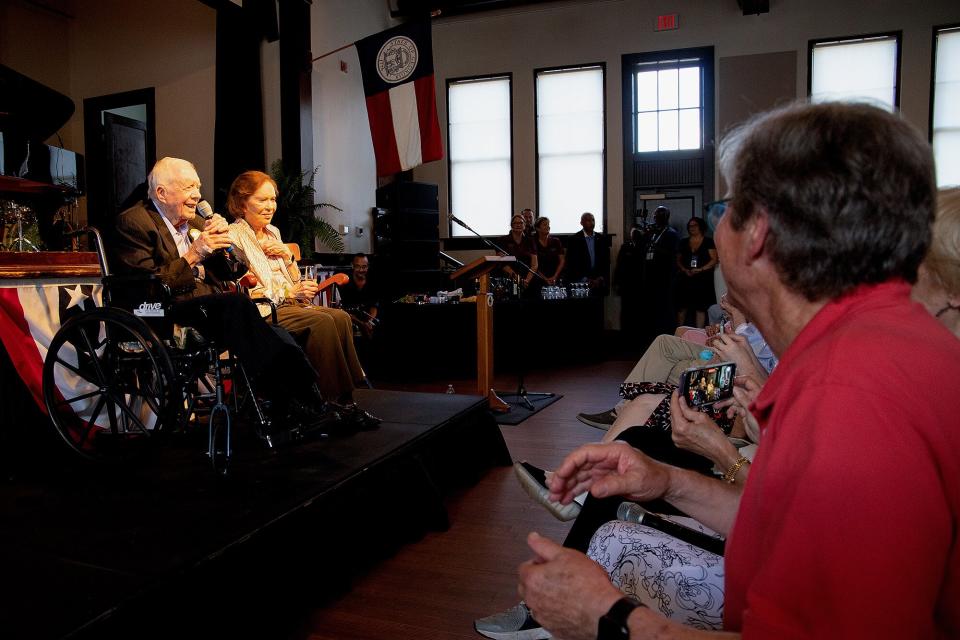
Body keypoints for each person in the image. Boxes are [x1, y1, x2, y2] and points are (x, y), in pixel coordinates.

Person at [516, 102, 960, 639]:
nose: (719, 221)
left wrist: (606, 618)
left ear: (758, 233)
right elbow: (783, 529)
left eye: (726, 206)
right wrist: (669, 481)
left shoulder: (848, 398)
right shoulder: (886, 343)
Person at [110, 157, 334, 426]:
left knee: (277, 333)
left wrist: (226, 245)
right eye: (188, 187)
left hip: (203, 306)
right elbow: (147, 288)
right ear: (161, 192)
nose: (197, 195)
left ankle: (308, 401)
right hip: (160, 310)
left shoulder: (194, 223)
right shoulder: (134, 222)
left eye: (198, 187)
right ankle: (292, 402)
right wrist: (194, 255)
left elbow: (234, 271)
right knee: (237, 304)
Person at [224, 170, 379, 428]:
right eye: (262, 200)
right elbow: (244, 288)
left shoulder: (273, 232)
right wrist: (289, 293)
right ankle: (326, 401)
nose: (270, 206)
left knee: (339, 317)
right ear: (242, 203)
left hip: (291, 303)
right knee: (323, 323)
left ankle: (346, 398)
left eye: (272, 200)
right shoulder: (234, 236)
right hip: (264, 310)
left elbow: (294, 277)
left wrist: (288, 257)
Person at [638, 206, 680, 342]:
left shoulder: (671, 234)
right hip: (650, 278)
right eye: (654, 215)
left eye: (657, 215)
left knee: (665, 309)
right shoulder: (654, 233)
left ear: (665, 217)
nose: (655, 218)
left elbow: (672, 255)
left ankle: (666, 336)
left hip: (665, 279)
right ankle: (651, 336)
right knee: (651, 310)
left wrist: (655, 246)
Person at [675, 216, 718, 327]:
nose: (692, 228)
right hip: (685, 279)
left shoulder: (708, 241)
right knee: (682, 308)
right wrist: (684, 270)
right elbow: (678, 259)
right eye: (690, 226)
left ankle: (699, 334)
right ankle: (679, 334)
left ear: (701, 226)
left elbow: (714, 260)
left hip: (702, 280)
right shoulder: (683, 242)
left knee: (701, 308)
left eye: (695, 225)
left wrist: (700, 269)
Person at [565, 212, 611, 294]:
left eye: (593, 220)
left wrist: (600, 278)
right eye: (588, 220)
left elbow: (606, 261)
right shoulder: (574, 239)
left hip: (599, 282)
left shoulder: (601, 239)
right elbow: (571, 263)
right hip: (580, 283)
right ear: (581, 223)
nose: (592, 223)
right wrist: (585, 279)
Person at [338, 252, 380, 338]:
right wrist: (362, 325)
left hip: (368, 321)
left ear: (368, 266)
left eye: (364, 267)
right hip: (349, 321)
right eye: (357, 266)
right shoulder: (345, 282)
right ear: (352, 265)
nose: (361, 270)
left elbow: (374, 305)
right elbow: (343, 309)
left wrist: (370, 322)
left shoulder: (373, 281)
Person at [501, 213, 541, 294]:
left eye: (521, 223)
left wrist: (527, 280)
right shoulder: (503, 240)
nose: (518, 225)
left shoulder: (530, 241)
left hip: (529, 278)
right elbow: (502, 263)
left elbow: (534, 264)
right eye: (516, 223)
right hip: (510, 277)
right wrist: (517, 279)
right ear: (511, 225)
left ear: (524, 225)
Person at [532, 217, 565, 285]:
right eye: (545, 225)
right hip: (538, 277)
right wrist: (544, 279)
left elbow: (562, 261)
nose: (548, 227)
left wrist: (555, 276)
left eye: (548, 224)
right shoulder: (532, 242)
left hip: (556, 276)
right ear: (537, 228)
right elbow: (532, 264)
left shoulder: (556, 241)